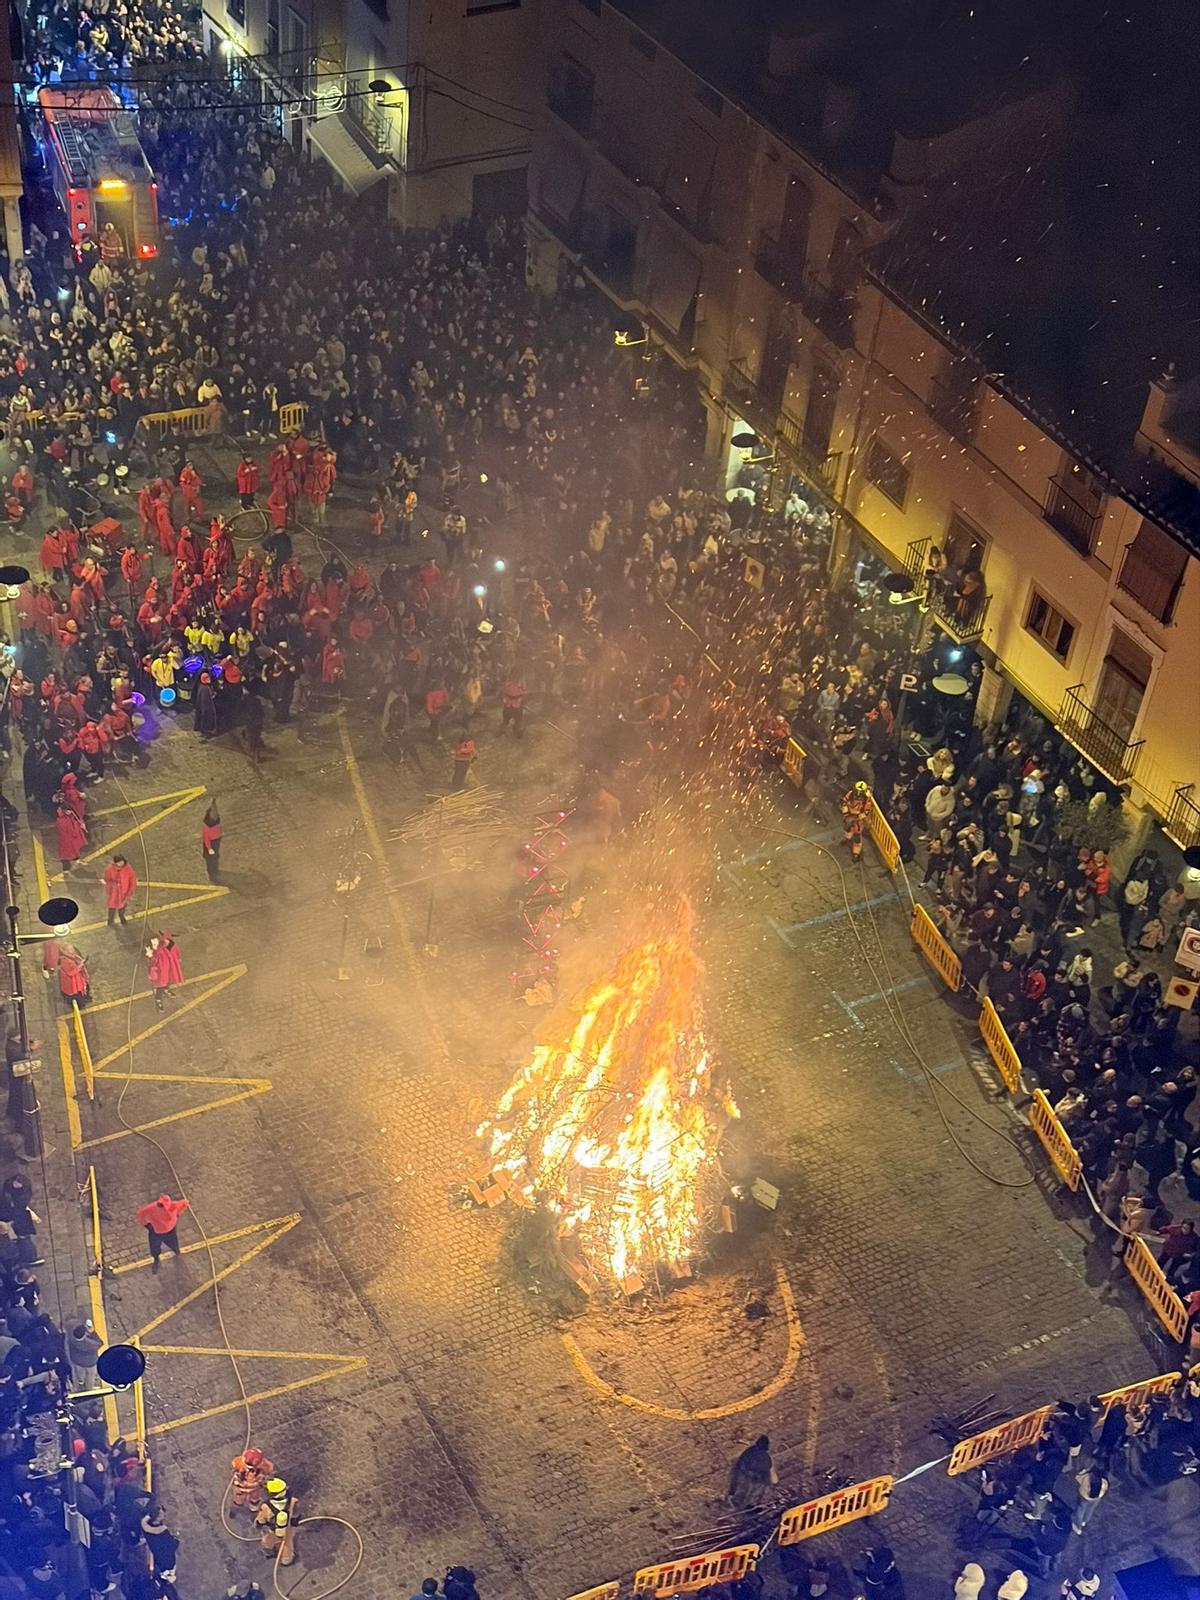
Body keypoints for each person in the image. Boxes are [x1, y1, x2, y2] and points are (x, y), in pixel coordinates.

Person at [135, 1193, 188, 1274]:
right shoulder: (152, 1208)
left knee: (173, 1243)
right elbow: (141, 1214)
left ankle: (176, 1251)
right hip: (157, 1232)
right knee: (155, 1247)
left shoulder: (173, 1206)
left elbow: (185, 1203)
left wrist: (178, 1213)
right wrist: (146, 1225)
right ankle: (156, 1259)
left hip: (170, 1231)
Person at [727, 1434, 776, 1508]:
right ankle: (746, 1503)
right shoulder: (761, 1455)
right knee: (749, 1488)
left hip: (750, 1476)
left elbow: (740, 1463)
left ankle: (745, 1502)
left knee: (751, 1488)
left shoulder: (753, 1451)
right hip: (751, 1477)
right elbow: (773, 1477)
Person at [146, 932, 183, 1011]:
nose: (154, 943)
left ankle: (166, 989)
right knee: (160, 986)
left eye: (156, 941)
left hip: (167, 970)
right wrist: (150, 956)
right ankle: (158, 999)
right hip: (160, 973)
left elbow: (171, 945)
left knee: (167, 982)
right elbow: (152, 963)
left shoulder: (162, 947)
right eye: (153, 941)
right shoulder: (152, 952)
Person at [1070, 1464, 1107, 1533]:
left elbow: (1077, 1478)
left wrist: (1083, 1471)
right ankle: (1084, 1521)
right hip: (1097, 1498)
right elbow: (1106, 1488)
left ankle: (1078, 1526)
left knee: (1081, 1510)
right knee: (1090, 1509)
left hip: (1085, 1497)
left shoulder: (1087, 1478)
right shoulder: (1103, 1481)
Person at [103, 853, 138, 927]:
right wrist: (113, 883)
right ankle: (110, 920)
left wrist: (131, 890)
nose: (120, 863)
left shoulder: (128, 869)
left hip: (123, 892)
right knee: (112, 908)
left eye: (121, 861)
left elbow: (132, 879)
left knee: (122, 907)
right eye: (118, 862)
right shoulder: (109, 869)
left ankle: (122, 918)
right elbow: (106, 879)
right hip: (113, 893)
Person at [66, 1318, 101, 1390]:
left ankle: (81, 1382)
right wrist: (93, 1332)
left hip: (77, 1361)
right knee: (90, 1375)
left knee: (80, 1372)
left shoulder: (72, 1339)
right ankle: (89, 1388)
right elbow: (99, 1343)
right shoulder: (90, 1344)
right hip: (90, 1363)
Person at [202, 800, 222, 882]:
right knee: (212, 859)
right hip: (213, 843)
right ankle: (213, 873)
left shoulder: (210, 825)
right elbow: (206, 839)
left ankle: (213, 872)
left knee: (213, 858)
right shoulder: (210, 826)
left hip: (214, 842)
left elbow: (207, 839)